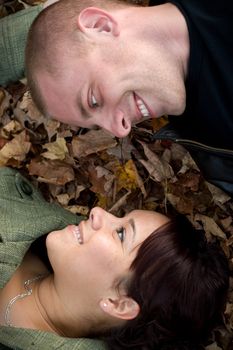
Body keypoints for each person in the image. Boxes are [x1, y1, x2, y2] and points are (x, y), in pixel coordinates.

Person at [0, 0, 233, 196]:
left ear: (100, 25)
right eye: (96, 124)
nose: (122, 130)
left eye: (93, 101)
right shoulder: (198, 127)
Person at [0, 167, 229, 350]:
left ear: (119, 303)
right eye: (120, 218)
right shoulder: (15, 203)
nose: (97, 212)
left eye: (121, 234)